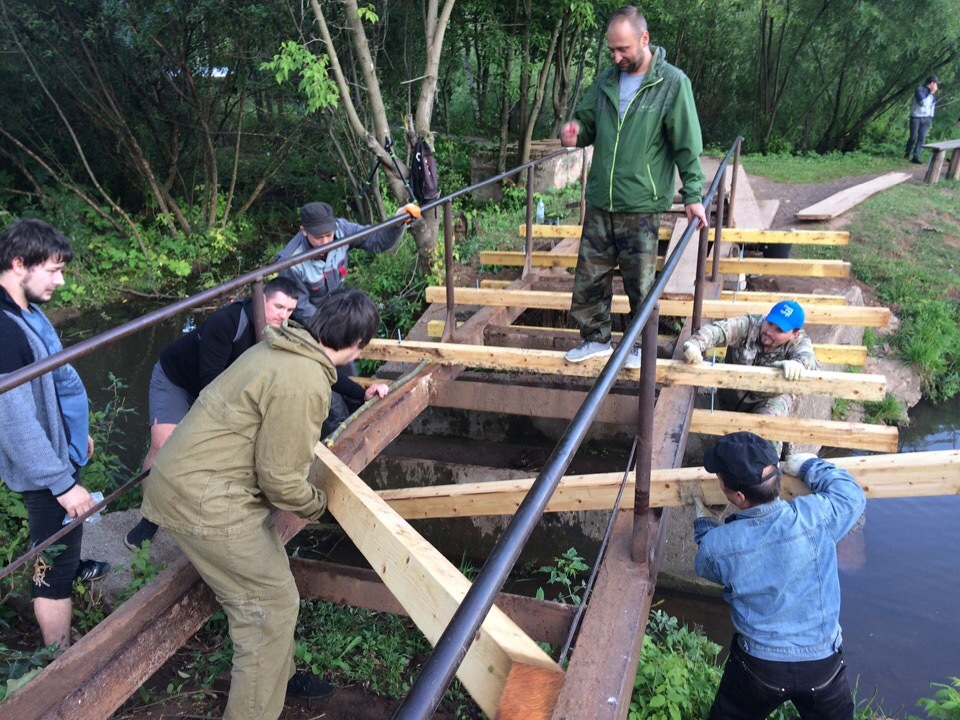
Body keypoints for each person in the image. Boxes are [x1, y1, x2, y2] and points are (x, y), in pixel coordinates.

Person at [141, 288, 380, 719]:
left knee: (276, 585)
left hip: (202, 483)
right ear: (357, 345)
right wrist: (323, 507)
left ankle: (279, 678)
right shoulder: (304, 380)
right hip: (207, 499)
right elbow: (280, 482)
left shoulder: (279, 347)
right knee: (267, 611)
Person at [125, 276, 388, 550]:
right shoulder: (227, 322)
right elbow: (211, 385)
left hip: (226, 388)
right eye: (277, 307)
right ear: (260, 299)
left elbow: (318, 363)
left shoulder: (283, 331)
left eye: (289, 310)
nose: (283, 316)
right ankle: (150, 517)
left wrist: (360, 393)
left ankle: (192, 506)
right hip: (180, 380)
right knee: (164, 444)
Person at [560, 6, 706, 370]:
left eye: (623, 49)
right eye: (612, 49)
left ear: (645, 39)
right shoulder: (607, 80)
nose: (616, 56)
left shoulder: (672, 84)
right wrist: (575, 131)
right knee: (590, 277)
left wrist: (693, 195)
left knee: (639, 283)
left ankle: (640, 346)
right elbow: (587, 123)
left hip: (640, 203)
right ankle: (594, 339)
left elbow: (688, 144)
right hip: (600, 199)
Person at [692, 432, 866, 719]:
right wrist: (810, 466)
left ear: (738, 496)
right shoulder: (815, 517)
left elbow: (707, 565)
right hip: (822, 665)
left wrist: (706, 524)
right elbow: (852, 495)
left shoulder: (720, 545)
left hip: (759, 669)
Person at [0, 218, 109, 649]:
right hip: (45, 469)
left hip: (59, 450)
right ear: (18, 262)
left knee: (64, 545)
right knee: (52, 565)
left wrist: (74, 431)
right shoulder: (4, 329)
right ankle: (57, 658)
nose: (61, 281)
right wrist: (61, 482)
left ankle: (68, 574)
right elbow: (14, 420)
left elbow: (56, 377)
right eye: (53, 270)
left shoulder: (27, 309)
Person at [275, 200, 418, 430]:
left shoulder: (342, 230)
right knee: (331, 399)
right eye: (319, 238)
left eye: (329, 235)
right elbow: (302, 312)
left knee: (350, 382)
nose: (326, 242)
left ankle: (358, 425)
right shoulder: (290, 261)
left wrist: (398, 222)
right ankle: (335, 438)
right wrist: (338, 337)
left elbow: (377, 240)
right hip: (309, 332)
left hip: (336, 317)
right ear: (304, 231)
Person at [681, 299, 817, 420]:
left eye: (779, 330)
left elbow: (808, 359)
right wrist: (695, 344)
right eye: (769, 323)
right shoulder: (750, 325)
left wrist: (798, 365)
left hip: (767, 399)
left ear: (794, 334)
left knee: (768, 429)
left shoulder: (799, 342)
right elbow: (720, 330)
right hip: (730, 395)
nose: (769, 331)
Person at [905, 75, 939, 164]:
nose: (936, 86)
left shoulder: (933, 94)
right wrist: (931, 94)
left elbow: (932, 106)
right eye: (936, 84)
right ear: (932, 83)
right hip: (916, 117)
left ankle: (916, 157)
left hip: (926, 118)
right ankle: (907, 153)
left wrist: (931, 117)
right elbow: (923, 103)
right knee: (913, 137)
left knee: (921, 138)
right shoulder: (920, 90)